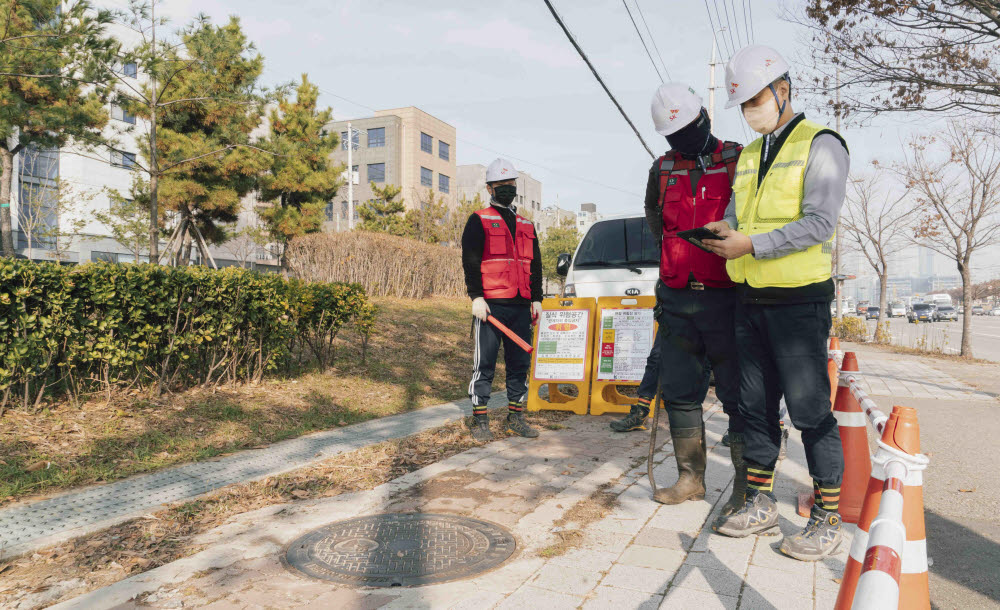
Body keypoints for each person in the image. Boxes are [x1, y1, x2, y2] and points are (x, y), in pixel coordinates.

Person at [705, 44, 850, 561]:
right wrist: (724, 231)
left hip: (797, 304)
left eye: (755, 99)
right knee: (754, 407)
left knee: (811, 411)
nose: (749, 111)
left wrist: (752, 244)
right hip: (751, 300)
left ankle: (828, 517)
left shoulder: (822, 144)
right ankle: (761, 499)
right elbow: (738, 216)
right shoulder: (748, 155)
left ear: (783, 91)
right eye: (741, 104)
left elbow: (819, 222)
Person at [638, 83, 746, 511]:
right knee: (680, 391)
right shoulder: (662, 168)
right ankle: (691, 478)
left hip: (727, 297)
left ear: (703, 119)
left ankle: (745, 484)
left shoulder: (737, 160)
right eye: (673, 135)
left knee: (740, 394)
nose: (681, 140)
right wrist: (672, 251)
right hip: (678, 296)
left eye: (687, 129)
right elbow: (653, 213)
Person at [461, 158, 543, 442]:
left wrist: (537, 299)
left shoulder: (526, 224)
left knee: (519, 363)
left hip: (521, 305)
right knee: (484, 364)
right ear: (489, 188)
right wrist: (476, 297)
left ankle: (515, 417)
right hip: (491, 307)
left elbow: (535, 265)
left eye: (510, 185)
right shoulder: (479, 219)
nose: (506, 189)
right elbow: (470, 261)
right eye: (501, 185)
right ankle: (479, 419)